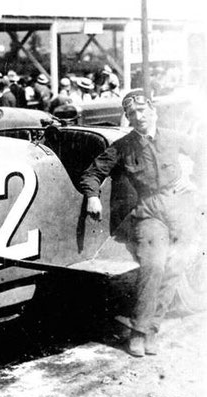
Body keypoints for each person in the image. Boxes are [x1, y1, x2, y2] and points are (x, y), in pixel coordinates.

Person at [79, 89, 203, 357]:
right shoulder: (123, 147)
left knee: (176, 267)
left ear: (153, 111)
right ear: (128, 118)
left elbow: (201, 151)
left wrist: (195, 181)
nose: (139, 117)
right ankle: (138, 333)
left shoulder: (171, 137)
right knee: (153, 266)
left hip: (179, 207)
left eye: (143, 111)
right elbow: (93, 172)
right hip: (148, 211)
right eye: (132, 114)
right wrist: (92, 196)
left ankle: (151, 330)